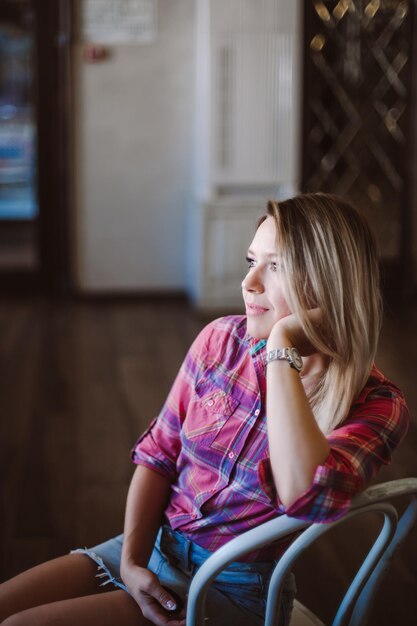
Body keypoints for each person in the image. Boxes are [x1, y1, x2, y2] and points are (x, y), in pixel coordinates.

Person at [0, 193, 410, 626]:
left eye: (276, 266)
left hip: (233, 588)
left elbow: (305, 493)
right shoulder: (221, 341)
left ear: (332, 285)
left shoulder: (378, 407)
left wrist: (281, 349)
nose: (249, 282)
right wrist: (131, 563)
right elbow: (159, 454)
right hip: (154, 544)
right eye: (251, 260)